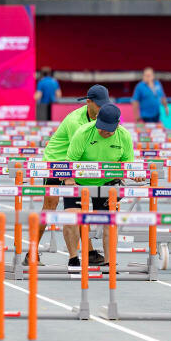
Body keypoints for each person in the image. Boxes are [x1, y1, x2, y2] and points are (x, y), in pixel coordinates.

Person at [26, 84, 110, 267]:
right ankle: (31, 251)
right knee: (50, 206)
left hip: (75, 164)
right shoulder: (75, 122)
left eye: (105, 104)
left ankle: (89, 252)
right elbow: (75, 153)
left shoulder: (100, 118)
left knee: (78, 207)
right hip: (56, 162)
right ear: (88, 102)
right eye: (99, 105)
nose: (102, 108)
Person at [62, 103, 143, 267]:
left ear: (117, 124)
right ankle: (73, 259)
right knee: (71, 217)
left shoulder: (124, 136)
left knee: (109, 221)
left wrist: (134, 175)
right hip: (79, 181)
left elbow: (127, 166)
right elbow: (69, 162)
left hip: (106, 182)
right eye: (102, 127)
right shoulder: (83, 133)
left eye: (109, 129)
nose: (104, 132)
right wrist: (69, 180)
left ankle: (109, 263)